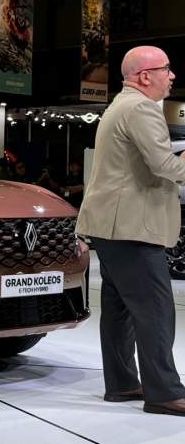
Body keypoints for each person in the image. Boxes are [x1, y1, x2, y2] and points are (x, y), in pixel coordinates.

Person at [76, 46, 185, 416]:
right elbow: (165, 165)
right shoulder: (141, 108)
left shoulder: (120, 106)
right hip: (132, 227)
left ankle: (123, 384)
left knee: (119, 309)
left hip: (111, 225)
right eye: (167, 69)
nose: (172, 75)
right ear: (145, 76)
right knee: (155, 310)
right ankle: (164, 392)